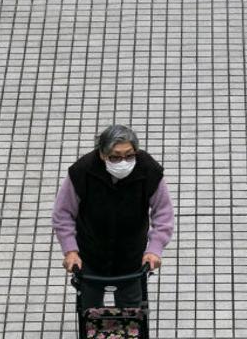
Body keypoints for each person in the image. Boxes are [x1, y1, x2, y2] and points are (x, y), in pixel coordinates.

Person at [51, 125, 175, 307]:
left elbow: (163, 213)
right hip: (91, 254)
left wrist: (154, 249)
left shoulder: (148, 170)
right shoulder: (82, 171)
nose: (123, 162)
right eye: (115, 157)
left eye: (129, 155)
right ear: (102, 154)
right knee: (89, 307)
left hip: (132, 255)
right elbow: (62, 214)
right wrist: (71, 251)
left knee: (132, 309)